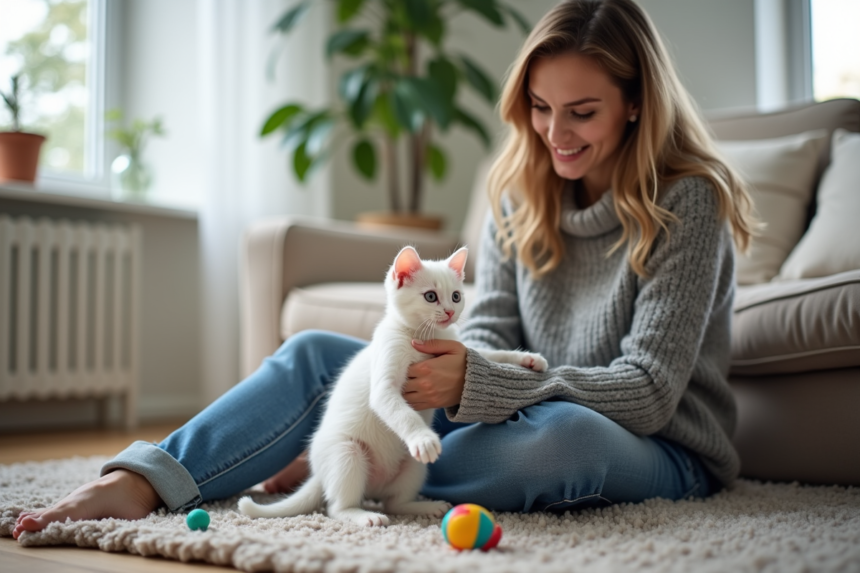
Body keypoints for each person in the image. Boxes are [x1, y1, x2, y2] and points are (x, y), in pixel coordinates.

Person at [14, 0, 756, 540]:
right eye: (538, 107)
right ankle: (141, 482)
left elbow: (652, 392)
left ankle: (348, 468)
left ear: (635, 105)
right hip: (520, 406)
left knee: (559, 438)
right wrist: (451, 368)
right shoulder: (519, 192)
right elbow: (487, 330)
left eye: (583, 112)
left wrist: (481, 379)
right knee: (316, 357)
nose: (554, 134)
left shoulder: (689, 200)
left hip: (657, 447)